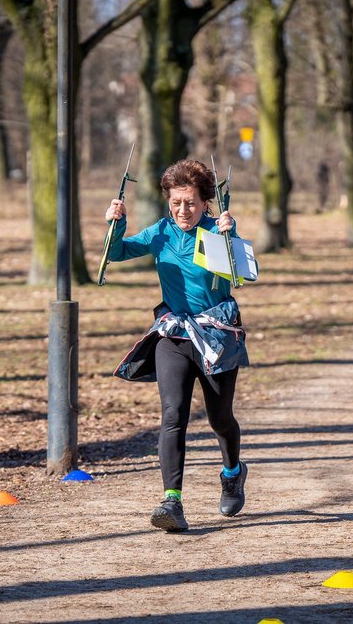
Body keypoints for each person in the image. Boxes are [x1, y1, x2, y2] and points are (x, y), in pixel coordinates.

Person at [103, 159, 249, 532]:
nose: (183, 210)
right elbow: (116, 254)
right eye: (176, 202)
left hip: (216, 336)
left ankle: (232, 472)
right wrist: (116, 224)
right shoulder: (161, 233)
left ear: (205, 202)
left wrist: (230, 237)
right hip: (175, 334)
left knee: (220, 419)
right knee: (173, 416)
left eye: (191, 203)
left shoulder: (216, 233)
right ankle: (172, 501)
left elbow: (243, 274)